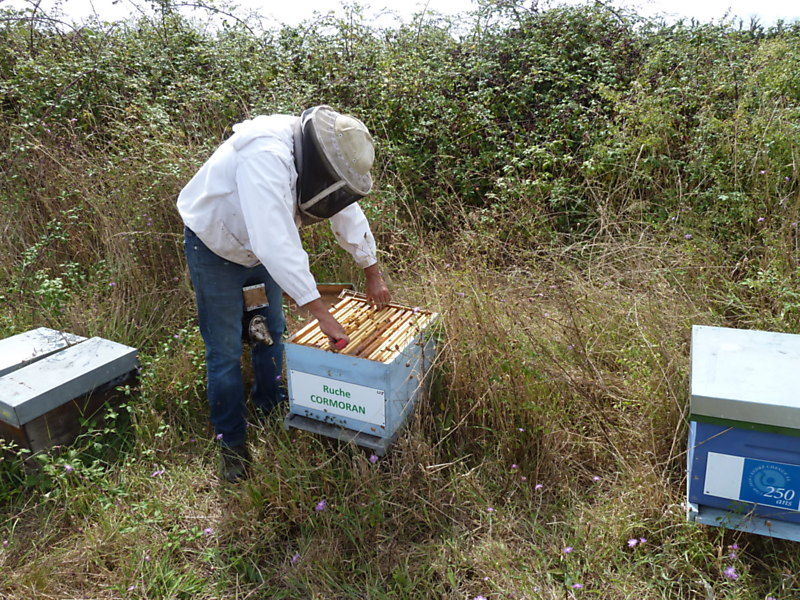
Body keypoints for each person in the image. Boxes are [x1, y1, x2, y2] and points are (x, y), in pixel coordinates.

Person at [177, 105, 390, 482]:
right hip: (215, 248)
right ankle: (232, 444)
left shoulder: (325, 153)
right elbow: (275, 244)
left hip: (259, 248)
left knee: (270, 333)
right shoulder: (265, 155)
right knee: (225, 349)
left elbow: (346, 211)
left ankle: (270, 408)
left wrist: (371, 270)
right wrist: (322, 314)